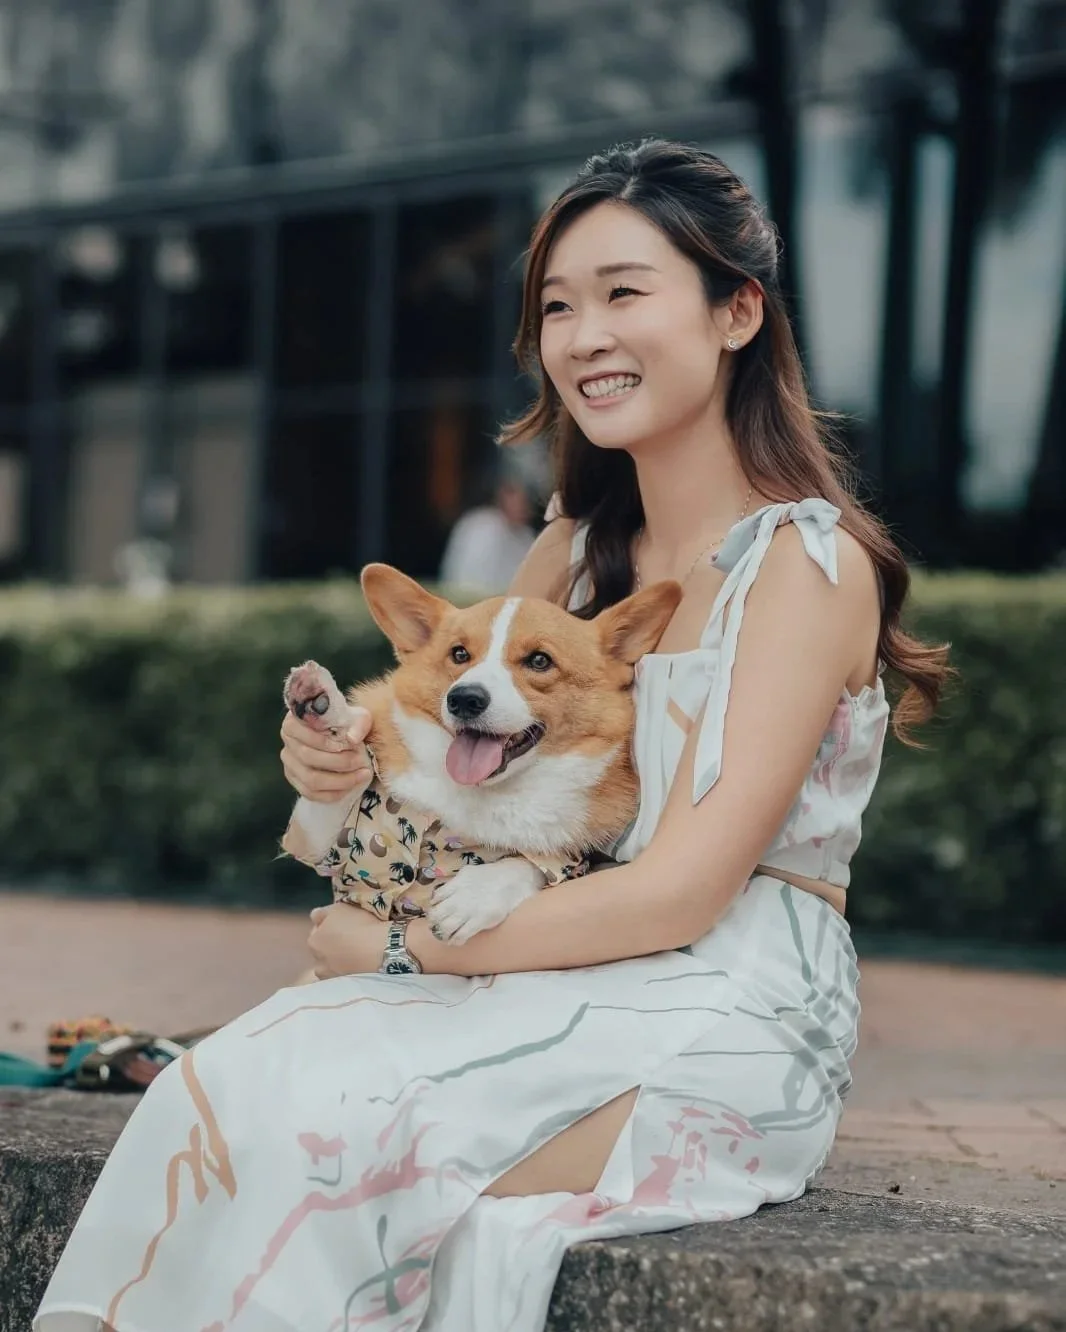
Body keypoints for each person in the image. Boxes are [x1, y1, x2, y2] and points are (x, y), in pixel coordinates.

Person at [36, 139, 950, 1332]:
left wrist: (404, 954)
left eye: (625, 292)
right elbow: (447, 796)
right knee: (225, 1086)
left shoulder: (803, 564)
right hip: (541, 960)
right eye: (557, 306)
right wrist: (337, 773)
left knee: (337, 1128)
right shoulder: (568, 556)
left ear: (736, 313)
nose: (582, 336)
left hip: (731, 1009)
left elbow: (679, 896)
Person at [438, 475, 536, 593]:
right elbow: (466, 583)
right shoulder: (479, 526)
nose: (522, 503)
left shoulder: (527, 536)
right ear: (501, 494)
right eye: (513, 494)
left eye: (526, 498)